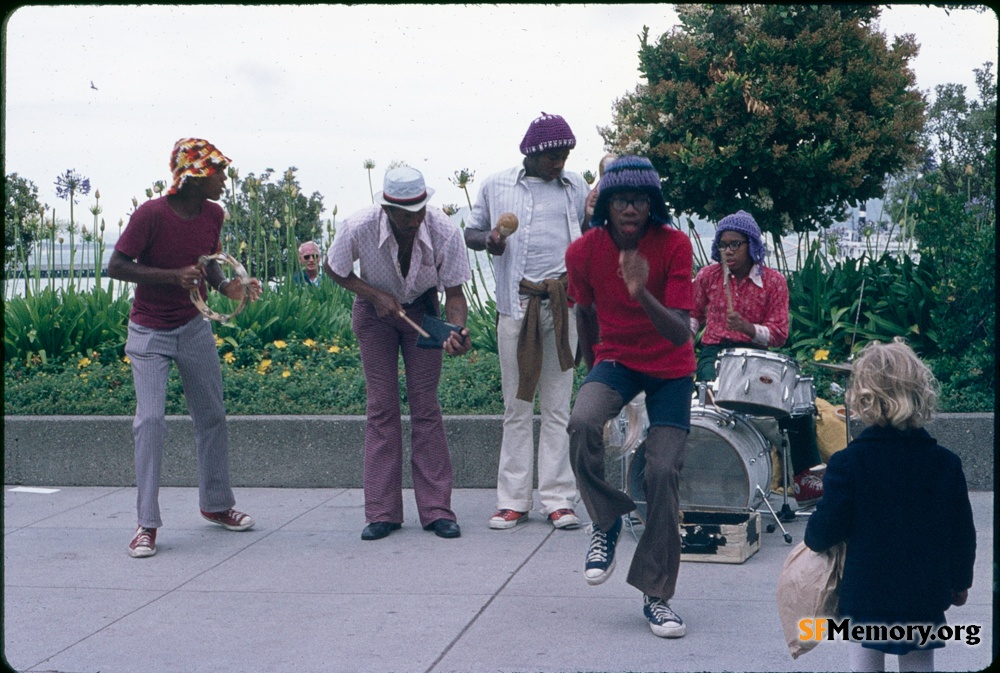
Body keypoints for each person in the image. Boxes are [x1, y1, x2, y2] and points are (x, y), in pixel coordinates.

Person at [108, 137, 262, 559]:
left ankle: (216, 505)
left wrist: (231, 287)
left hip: (193, 328)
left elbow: (207, 263)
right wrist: (171, 276)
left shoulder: (213, 213)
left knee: (212, 415)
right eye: (219, 172)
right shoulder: (151, 214)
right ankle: (146, 525)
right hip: (149, 333)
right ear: (195, 176)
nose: (225, 179)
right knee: (151, 422)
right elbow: (116, 266)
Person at [565, 155, 695, 638]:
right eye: (621, 199)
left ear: (653, 204)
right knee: (581, 421)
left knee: (662, 472)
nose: (630, 208)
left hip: (671, 371)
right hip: (616, 360)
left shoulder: (675, 245)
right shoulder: (582, 252)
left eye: (640, 199)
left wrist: (641, 291)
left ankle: (656, 596)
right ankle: (607, 519)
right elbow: (583, 312)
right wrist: (592, 371)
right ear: (606, 204)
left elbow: (681, 333)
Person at [804, 339, 975, 673]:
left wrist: (813, 535)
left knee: (864, 665)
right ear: (921, 392)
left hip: (866, 596)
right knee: (920, 665)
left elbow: (822, 532)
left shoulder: (848, 463)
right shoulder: (944, 463)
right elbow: (962, 532)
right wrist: (959, 582)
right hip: (925, 594)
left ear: (862, 398)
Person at [325, 166, 472, 541]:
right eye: (406, 214)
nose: (415, 219)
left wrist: (455, 332)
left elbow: (454, 293)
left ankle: (437, 510)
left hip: (422, 309)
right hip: (374, 313)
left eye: (420, 210)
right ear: (387, 209)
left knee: (426, 406)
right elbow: (334, 268)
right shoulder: (358, 226)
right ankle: (381, 512)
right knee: (382, 407)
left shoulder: (444, 231)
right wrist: (374, 295)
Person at [464, 112, 588, 531]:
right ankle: (512, 500)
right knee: (516, 406)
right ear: (531, 154)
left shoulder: (575, 187)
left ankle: (558, 500)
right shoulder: (497, 185)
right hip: (516, 309)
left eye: (565, 155)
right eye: (553, 155)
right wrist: (491, 241)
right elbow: (471, 232)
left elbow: (587, 236)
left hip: (561, 304)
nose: (560, 163)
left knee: (557, 407)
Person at [689, 210, 825, 506]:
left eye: (735, 244)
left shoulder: (773, 282)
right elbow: (692, 314)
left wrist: (749, 329)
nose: (727, 251)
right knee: (710, 399)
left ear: (751, 245)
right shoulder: (707, 277)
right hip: (715, 354)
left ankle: (805, 482)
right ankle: (705, 475)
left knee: (796, 409)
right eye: (723, 244)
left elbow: (780, 334)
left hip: (756, 355)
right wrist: (685, 342)